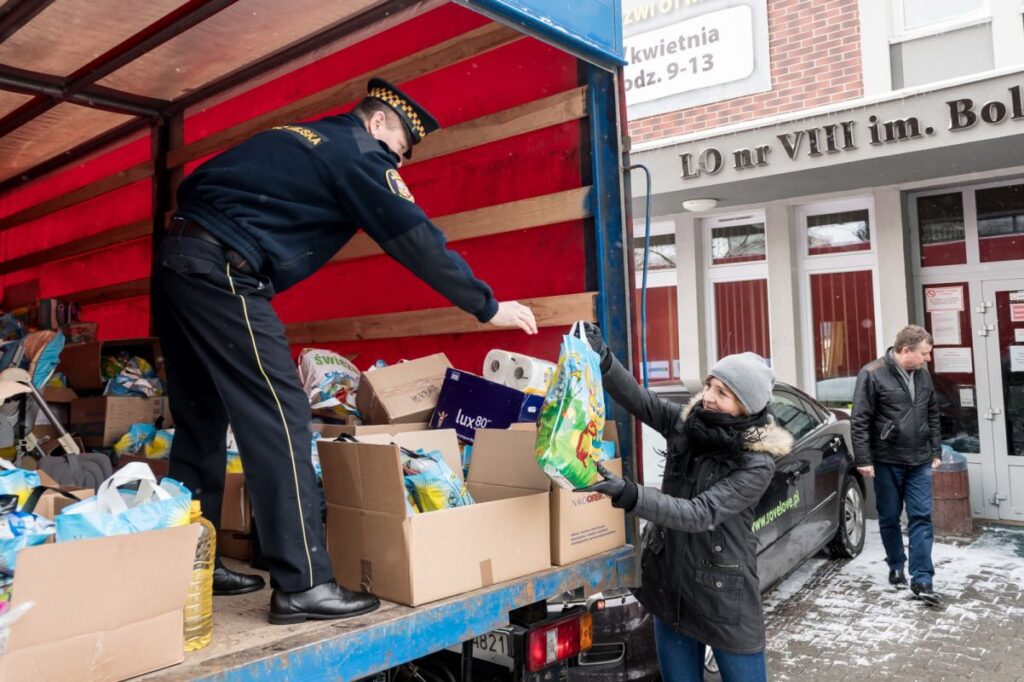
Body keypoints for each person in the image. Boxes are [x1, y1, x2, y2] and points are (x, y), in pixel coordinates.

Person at [151, 78, 537, 624]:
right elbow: (414, 237)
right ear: (378, 123)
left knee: (201, 419)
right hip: (224, 272)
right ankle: (304, 584)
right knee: (281, 417)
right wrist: (485, 305)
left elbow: (197, 183)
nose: (395, 167)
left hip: (179, 262)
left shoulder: (301, 138)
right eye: (397, 150)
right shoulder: (359, 153)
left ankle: (190, 566)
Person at [578, 324, 792, 682]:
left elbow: (701, 513)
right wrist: (603, 359)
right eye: (709, 385)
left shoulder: (756, 461)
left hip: (722, 595)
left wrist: (629, 493)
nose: (708, 396)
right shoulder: (691, 424)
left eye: (721, 392)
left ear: (745, 406)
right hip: (670, 583)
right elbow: (641, 401)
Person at [851, 324, 942, 605]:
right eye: (925, 354)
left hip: (920, 460)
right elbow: (860, 420)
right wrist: (864, 459)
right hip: (887, 460)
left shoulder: (923, 376)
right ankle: (895, 565)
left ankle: (922, 579)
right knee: (889, 518)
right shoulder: (872, 374)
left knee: (921, 518)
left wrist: (935, 450)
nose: (928, 359)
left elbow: (932, 413)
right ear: (905, 351)